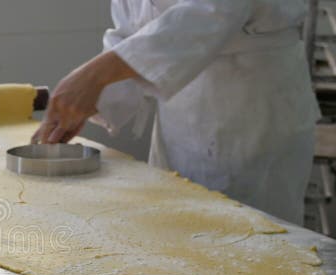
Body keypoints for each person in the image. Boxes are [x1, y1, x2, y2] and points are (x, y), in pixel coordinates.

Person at [33, 0, 320, 225]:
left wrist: (93, 77)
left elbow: (214, 11)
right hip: (182, 110)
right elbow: (134, 29)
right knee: (177, 232)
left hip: (249, 103)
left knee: (253, 247)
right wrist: (91, 99)